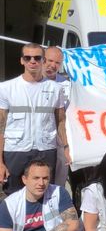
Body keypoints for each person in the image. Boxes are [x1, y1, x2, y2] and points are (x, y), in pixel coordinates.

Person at [0, 43, 68, 194]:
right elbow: (1, 127)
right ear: (22, 60)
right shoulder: (6, 88)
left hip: (45, 150)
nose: (32, 61)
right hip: (16, 151)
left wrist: (66, 148)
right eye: (28, 57)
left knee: (43, 194)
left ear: (43, 61)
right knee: (13, 195)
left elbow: (61, 122)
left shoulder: (55, 89)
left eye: (37, 57)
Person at [42, 46, 71, 187]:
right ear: (43, 59)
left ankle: (55, 208)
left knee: (60, 178)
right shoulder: (32, 82)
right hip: (39, 140)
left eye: (57, 63)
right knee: (41, 177)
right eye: (50, 60)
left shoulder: (67, 85)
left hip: (60, 138)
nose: (53, 65)